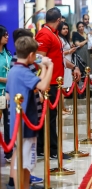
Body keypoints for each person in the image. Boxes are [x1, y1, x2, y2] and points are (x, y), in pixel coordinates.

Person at [6, 36, 53, 189]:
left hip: (17, 122)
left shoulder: (14, 71)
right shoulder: (23, 72)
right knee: (25, 162)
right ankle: (20, 185)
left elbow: (36, 85)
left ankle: (23, 186)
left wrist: (43, 68)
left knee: (23, 161)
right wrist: (49, 66)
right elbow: (44, 86)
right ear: (32, 55)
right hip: (25, 124)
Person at [35, 7, 81, 159]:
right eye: (61, 20)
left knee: (50, 116)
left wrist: (74, 66)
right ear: (58, 20)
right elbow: (38, 59)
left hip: (56, 81)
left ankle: (44, 147)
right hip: (49, 83)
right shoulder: (44, 34)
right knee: (50, 117)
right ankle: (52, 150)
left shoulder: (54, 34)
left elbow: (59, 58)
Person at [58, 22, 77, 114]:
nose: (65, 30)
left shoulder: (65, 39)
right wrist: (70, 51)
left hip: (67, 64)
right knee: (63, 87)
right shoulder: (60, 39)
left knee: (65, 87)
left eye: (66, 28)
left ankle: (63, 107)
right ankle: (61, 108)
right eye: (63, 29)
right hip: (64, 64)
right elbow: (60, 53)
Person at [0, 25, 12, 164]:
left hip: (8, 94)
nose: (7, 37)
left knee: (9, 124)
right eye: (4, 35)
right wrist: (6, 79)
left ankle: (9, 152)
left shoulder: (8, 55)